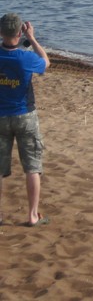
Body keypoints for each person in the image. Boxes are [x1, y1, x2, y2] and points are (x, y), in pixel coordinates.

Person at [0, 13, 50, 227]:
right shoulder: (25, 57)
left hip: (1, 116)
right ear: (19, 32)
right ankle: (32, 215)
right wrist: (33, 38)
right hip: (25, 115)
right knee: (32, 166)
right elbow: (45, 63)